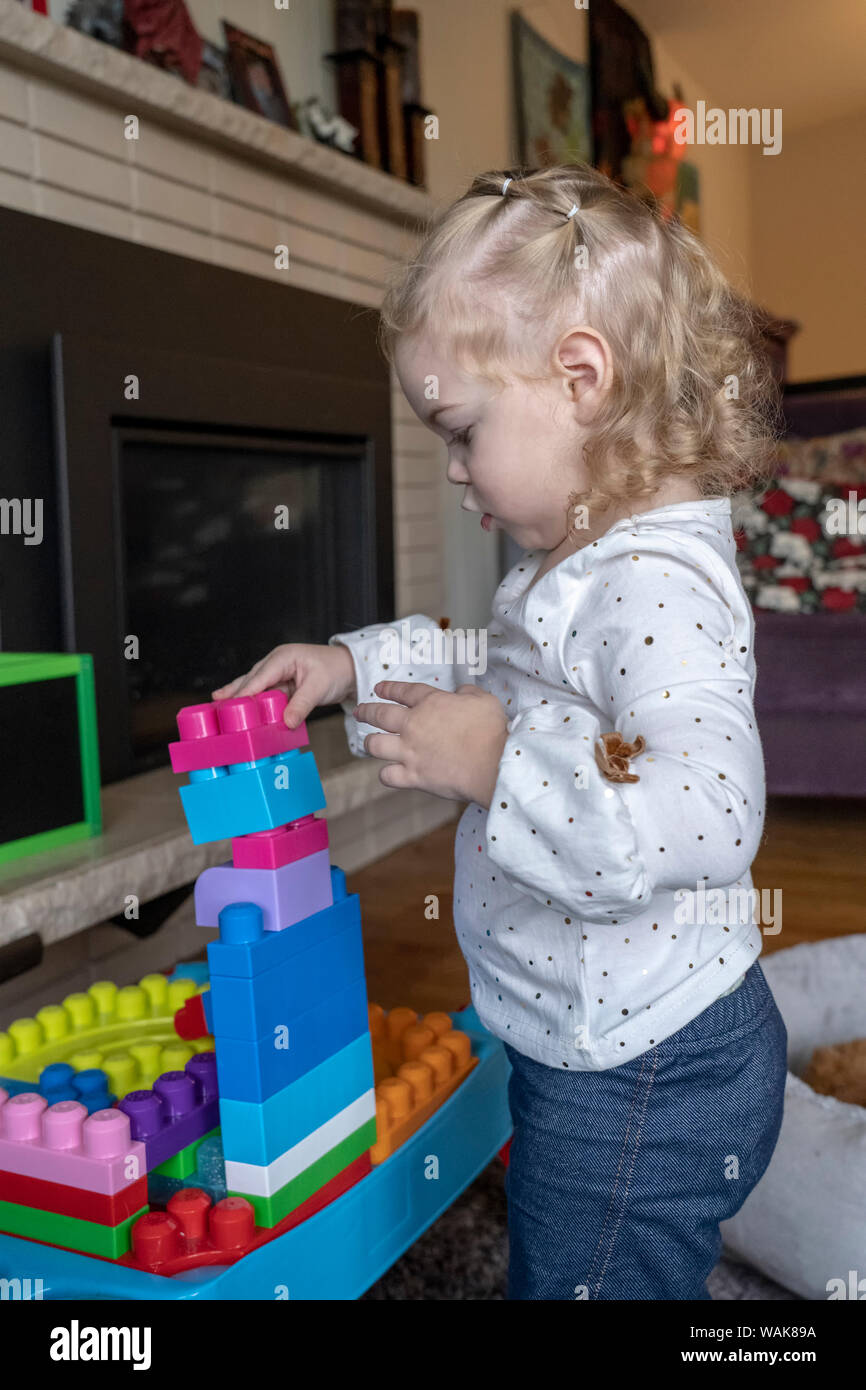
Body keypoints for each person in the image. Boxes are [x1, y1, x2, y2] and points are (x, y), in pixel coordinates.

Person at [213, 163, 788, 1300]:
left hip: (640, 1073)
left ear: (579, 377)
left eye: (461, 429)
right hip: (601, 1041)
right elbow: (494, 664)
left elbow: (711, 813)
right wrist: (348, 666)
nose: (453, 469)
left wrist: (494, 765)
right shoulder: (580, 560)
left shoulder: (652, 587)